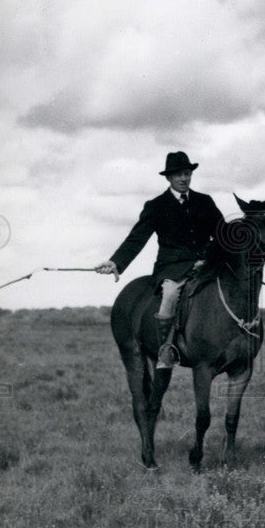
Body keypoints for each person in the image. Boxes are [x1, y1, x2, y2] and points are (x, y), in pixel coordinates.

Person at [95, 151, 224, 368]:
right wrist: (116, 262)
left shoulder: (205, 201)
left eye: (186, 173)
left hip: (205, 267)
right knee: (171, 295)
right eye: (178, 175)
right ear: (168, 178)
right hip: (172, 269)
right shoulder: (156, 206)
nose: (183, 178)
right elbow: (137, 238)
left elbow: (223, 235)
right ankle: (166, 350)